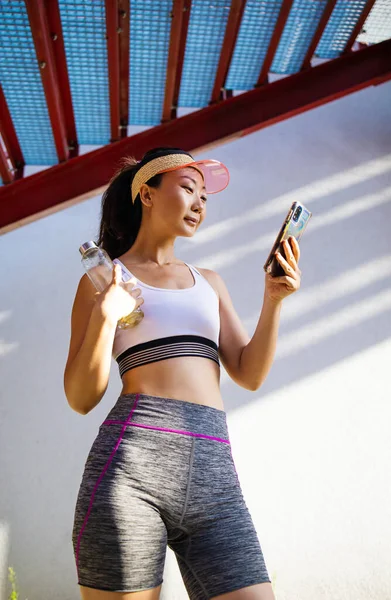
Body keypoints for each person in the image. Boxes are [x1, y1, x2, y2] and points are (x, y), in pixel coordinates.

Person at [64, 147, 301, 600]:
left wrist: (273, 300)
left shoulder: (209, 280)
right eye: (188, 188)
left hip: (215, 477)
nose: (199, 204)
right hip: (131, 469)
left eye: (205, 198)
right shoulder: (104, 278)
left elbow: (248, 374)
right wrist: (106, 316)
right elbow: (80, 397)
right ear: (147, 195)